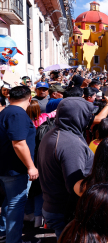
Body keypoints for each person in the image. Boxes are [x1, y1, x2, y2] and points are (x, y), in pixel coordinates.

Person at [38, 96, 95, 238]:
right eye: (87, 115)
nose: (89, 119)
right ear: (78, 116)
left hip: (55, 206)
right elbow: (76, 186)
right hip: (65, 211)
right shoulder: (70, 143)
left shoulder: (54, 133)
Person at [0, 86, 38, 243]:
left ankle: (4, 232)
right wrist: (31, 166)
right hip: (15, 169)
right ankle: (13, 240)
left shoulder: (6, 112)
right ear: (29, 99)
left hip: (8, 168)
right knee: (16, 204)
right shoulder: (17, 114)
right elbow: (19, 143)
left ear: (9, 98)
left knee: (10, 202)